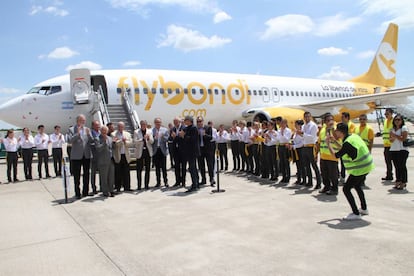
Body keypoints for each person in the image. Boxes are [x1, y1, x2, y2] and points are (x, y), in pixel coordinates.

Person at [326, 123, 374, 220]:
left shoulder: (347, 143)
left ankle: (356, 213)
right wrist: (335, 141)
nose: (335, 132)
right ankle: (364, 208)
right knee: (357, 186)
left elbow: (336, 155)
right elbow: (345, 149)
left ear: (340, 132)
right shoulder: (352, 137)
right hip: (367, 166)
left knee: (346, 189)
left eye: (336, 130)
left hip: (360, 168)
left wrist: (328, 144)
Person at [67, 114, 93, 199]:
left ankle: (85, 192)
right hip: (76, 156)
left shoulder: (87, 129)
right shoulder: (71, 129)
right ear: (78, 121)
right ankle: (77, 193)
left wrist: (89, 135)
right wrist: (77, 133)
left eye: (84, 120)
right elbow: (70, 140)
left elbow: (91, 141)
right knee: (77, 175)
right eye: (82, 120)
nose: (84, 122)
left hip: (86, 155)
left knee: (86, 174)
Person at [318, 113, 339, 195]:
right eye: (328, 120)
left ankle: (334, 188)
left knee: (333, 174)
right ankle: (326, 186)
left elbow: (338, 139)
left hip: (332, 156)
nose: (330, 122)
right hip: (323, 156)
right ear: (324, 121)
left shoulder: (335, 129)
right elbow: (320, 141)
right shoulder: (323, 130)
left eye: (331, 120)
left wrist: (332, 129)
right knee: (324, 174)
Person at [301, 112, 321, 189]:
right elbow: (303, 137)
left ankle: (318, 183)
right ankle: (309, 182)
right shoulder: (303, 126)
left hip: (311, 147)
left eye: (308, 117)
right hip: (305, 146)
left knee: (314, 165)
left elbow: (312, 137)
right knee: (307, 166)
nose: (307, 118)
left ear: (310, 117)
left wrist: (303, 134)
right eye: (305, 117)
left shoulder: (313, 125)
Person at [179, 116, 200, 192]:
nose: (185, 122)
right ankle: (196, 183)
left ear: (190, 121)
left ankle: (195, 185)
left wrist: (184, 136)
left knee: (192, 168)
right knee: (192, 168)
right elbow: (183, 131)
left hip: (192, 151)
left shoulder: (193, 128)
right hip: (188, 151)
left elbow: (193, 139)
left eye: (186, 120)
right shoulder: (187, 128)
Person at [389, 114, 409, 190]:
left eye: (398, 120)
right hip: (394, 149)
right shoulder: (392, 129)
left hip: (402, 150)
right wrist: (393, 137)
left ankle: (403, 182)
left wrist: (395, 135)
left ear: (402, 121)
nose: (397, 121)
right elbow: (390, 140)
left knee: (402, 166)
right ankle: (398, 180)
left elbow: (403, 138)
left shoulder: (404, 128)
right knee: (397, 167)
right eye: (395, 120)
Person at [112, 121, 132, 192]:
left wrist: (125, 142)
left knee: (126, 172)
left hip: (126, 155)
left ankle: (127, 187)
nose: (120, 128)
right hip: (118, 155)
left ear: (124, 127)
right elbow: (115, 144)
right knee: (118, 172)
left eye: (122, 126)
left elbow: (130, 143)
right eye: (119, 126)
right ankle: (118, 187)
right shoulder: (113, 134)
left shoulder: (127, 134)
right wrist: (121, 141)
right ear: (117, 127)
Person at [95, 126, 114, 197]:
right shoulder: (97, 138)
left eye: (106, 131)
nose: (105, 132)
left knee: (111, 177)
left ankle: (111, 190)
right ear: (101, 131)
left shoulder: (109, 138)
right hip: (103, 161)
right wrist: (104, 143)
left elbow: (111, 148)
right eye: (103, 131)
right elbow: (98, 149)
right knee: (104, 178)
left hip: (110, 160)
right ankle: (105, 192)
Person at [134, 120, 154, 190]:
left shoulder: (149, 131)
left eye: (145, 124)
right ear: (140, 125)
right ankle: (139, 185)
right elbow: (135, 142)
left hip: (147, 152)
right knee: (139, 169)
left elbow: (152, 141)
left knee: (148, 169)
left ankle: (146, 185)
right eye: (142, 124)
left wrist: (148, 138)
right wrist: (142, 139)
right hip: (140, 152)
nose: (143, 126)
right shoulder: (136, 132)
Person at [196, 116, 215, 186]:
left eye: (200, 121)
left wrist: (204, 135)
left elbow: (210, 137)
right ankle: (203, 179)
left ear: (203, 121)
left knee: (210, 164)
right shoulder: (196, 129)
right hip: (200, 149)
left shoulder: (208, 128)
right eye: (197, 121)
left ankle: (212, 179)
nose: (199, 123)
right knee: (201, 166)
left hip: (207, 149)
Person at [152, 117, 169, 188]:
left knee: (164, 168)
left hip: (162, 150)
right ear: (154, 123)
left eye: (159, 122)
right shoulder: (152, 130)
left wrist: (162, 137)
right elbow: (151, 141)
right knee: (157, 168)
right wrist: (154, 138)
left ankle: (166, 182)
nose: (158, 123)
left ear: (161, 123)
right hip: (156, 150)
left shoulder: (165, 130)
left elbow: (167, 139)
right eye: (156, 122)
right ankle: (158, 182)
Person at [169, 117, 185, 187]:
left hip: (183, 150)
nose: (175, 123)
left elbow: (183, 139)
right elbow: (170, 139)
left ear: (179, 122)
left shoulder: (184, 128)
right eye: (174, 122)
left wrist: (176, 137)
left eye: (176, 122)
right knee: (177, 167)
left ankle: (183, 182)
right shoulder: (173, 129)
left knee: (183, 167)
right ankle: (177, 181)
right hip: (176, 150)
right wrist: (173, 137)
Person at [290, 120, 305, 185]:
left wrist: (294, 146)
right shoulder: (295, 132)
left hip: (301, 150)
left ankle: (304, 179)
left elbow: (302, 143)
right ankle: (299, 179)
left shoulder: (302, 132)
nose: (295, 126)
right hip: (296, 150)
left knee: (302, 165)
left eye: (297, 124)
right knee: (298, 165)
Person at [277, 119, 292, 183]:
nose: (282, 125)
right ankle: (283, 176)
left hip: (286, 146)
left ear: (286, 124)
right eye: (281, 123)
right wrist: (281, 135)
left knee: (286, 162)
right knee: (282, 162)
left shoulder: (288, 130)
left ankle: (288, 177)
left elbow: (287, 138)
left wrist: (282, 134)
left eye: (283, 123)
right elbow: (278, 138)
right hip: (280, 146)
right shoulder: (279, 130)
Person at [382, 108, 394, 181]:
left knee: (395, 162)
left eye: (387, 114)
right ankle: (389, 175)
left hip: (393, 145)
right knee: (387, 162)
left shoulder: (394, 121)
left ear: (391, 114)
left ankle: (399, 178)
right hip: (386, 145)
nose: (386, 115)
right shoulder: (385, 121)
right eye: (385, 114)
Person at [89, 120, 101, 194]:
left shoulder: (100, 133)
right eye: (97, 125)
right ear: (93, 126)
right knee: (93, 173)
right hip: (93, 156)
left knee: (101, 172)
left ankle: (101, 186)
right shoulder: (90, 133)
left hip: (100, 156)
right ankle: (93, 188)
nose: (98, 126)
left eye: (98, 125)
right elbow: (91, 142)